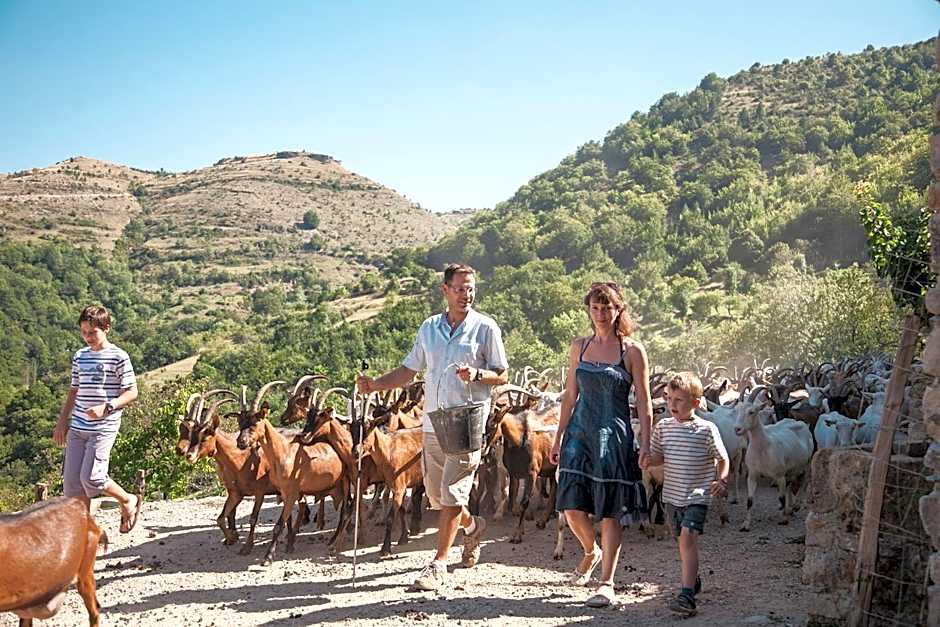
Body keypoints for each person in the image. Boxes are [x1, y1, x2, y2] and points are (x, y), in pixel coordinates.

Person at [357, 263, 508, 592]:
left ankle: (438, 564)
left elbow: (502, 374)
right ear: (445, 290)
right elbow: (408, 371)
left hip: (467, 421)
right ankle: (473, 525)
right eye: (459, 288)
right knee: (439, 497)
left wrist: (478, 375)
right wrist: (375, 385)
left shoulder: (485, 328)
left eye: (470, 288)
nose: (466, 294)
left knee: (453, 492)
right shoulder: (429, 328)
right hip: (433, 421)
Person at [550, 282, 652, 608]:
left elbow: (645, 404)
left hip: (614, 435)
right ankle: (590, 550)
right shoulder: (578, 346)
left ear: (619, 309)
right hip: (579, 433)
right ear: (589, 310)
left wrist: (646, 444)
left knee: (610, 510)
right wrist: (557, 435)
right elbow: (569, 396)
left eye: (606, 307)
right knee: (570, 504)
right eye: (595, 307)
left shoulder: (632, 351)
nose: (600, 313)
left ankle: (607, 582)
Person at [643, 372, 729, 617]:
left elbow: (723, 459)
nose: (672, 405)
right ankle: (693, 579)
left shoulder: (706, 429)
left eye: (679, 400)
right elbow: (659, 456)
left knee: (687, 537)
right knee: (681, 543)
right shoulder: (663, 428)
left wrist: (721, 480)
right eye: (669, 398)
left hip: (698, 495)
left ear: (695, 402)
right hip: (671, 497)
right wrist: (648, 460)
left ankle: (686, 597)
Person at [53, 305, 143, 533]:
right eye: (84, 332)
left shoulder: (119, 356)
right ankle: (83, 532)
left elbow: (132, 392)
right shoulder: (80, 356)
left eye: (93, 332)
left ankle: (127, 499)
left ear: (107, 328)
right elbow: (74, 390)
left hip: (104, 426)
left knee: (93, 478)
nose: (87, 337)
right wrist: (62, 421)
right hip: (78, 427)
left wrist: (108, 406)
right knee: (72, 485)